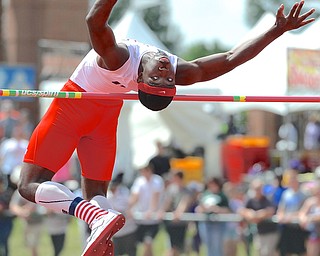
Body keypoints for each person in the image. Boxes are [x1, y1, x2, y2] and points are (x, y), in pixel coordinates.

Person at [16, 0, 315, 255]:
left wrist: (276, 31)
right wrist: (274, 31)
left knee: (29, 184)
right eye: (167, 81)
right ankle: (100, 224)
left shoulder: (117, 59)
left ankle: (93, 216)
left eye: (159, 79)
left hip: (77, 107)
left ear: (140, 79)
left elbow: (94, 19)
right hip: (104, 117)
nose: (165, 74)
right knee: (95, 192)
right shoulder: (178, 69)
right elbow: (229, 59)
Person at [128, 164, 165, 256]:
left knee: (148, 242)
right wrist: (129, 209)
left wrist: (151, 210)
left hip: (153, 220)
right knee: (144, 244)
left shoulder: (157, 180)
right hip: (141, 219)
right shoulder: (139, 181)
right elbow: (135, 196)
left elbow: (155, 196)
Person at [238, 179, 279, 256]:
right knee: (259, 252)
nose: (258, 191)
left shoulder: (268, 199)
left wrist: (257, 215)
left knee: (267, 253)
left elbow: (270, 211)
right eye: (256, 189)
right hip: (259, 232)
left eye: (259, 188)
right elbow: (241, 210)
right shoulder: (251, 200)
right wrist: (250, 214)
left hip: (270, 231)